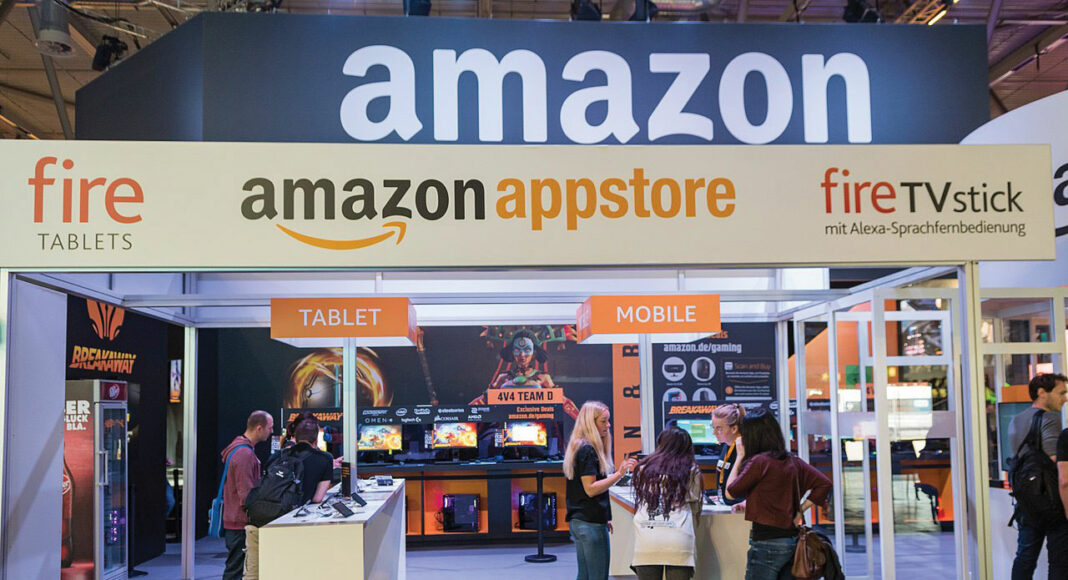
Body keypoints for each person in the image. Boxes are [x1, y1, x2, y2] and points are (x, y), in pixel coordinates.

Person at [726, 408, 831, 580]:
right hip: (791, 541)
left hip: (766, 541)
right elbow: (823, 484)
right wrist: (800, 510)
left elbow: (730, 492)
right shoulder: (792, 460)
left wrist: (739, 456)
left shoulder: (759, 462)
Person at [564, 401, 637, 580]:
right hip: (590, 523)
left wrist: (604, 516)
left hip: (582, 521)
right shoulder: (588, 450)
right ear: (591, 422)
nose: (608, 425)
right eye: (604, 421)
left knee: (585, 575)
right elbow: (590, 489)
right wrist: (620, 473)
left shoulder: (579, 446)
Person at [1009, 373, 1068, 580]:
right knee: (1059, 561)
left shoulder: (1016, 419)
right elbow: (1057, 461)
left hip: (1026, 501)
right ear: (1042, 393)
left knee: (1025, 558)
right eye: (1061, 393)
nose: (1065, 398)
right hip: (1051, 500)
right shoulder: (1050, 418)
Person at [630, 426, 703, 580]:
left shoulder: (643, 468)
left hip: (646, 539)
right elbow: (695, 500)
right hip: (678, 540)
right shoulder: (691, 470)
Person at [471, 329, 580, 419]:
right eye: (517, 350)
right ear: (512, 352)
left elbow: (564, 402)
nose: (522, 355)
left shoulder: (543, 378)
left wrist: (581, 420)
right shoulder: (503, 378)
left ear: (534, 353)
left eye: (527, 350)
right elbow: (483, 400)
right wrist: (462, 414)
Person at [220, 410, 273, 580]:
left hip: (234, 519)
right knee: (236, 570)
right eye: (269, 428)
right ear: (259, 428)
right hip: (240, 522)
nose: (271, 431)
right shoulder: (245, 454)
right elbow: (246, 495)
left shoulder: (238, 449)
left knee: (235, 567)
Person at [711, 403, 746, 507]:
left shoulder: (744, 449)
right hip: (727, 505)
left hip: (741, 509)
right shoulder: (726, 445)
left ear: (734, 429)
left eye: (719, 428)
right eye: (713, 427)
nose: (714, 432)